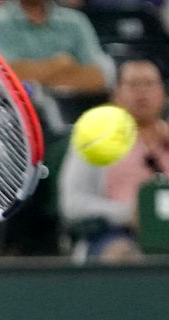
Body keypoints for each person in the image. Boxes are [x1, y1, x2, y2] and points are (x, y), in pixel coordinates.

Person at [59, 59, 169, 260]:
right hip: (116, 234)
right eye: (133, 85)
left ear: (163, 94)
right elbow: (72, 204)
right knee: (124, 254)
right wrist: (129, 214)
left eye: (149, 84)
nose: (142, 92)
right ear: (116, 95)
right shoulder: (95, 140)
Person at [0, 0, 113, 94]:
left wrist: (32, 79)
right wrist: (60, 65)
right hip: (11, 116)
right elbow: (0, 78)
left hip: (69, 110)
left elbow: (97, 77)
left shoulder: (76, 21)